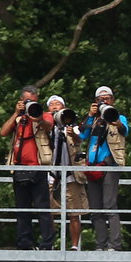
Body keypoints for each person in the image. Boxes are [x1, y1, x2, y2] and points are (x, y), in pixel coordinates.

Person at [0, 84, 54, 251]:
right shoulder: (18, 118)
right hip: (19, 168)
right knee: (22, 208)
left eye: (33, 100)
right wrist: (17, 113)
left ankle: (47, 244)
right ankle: (25, 243)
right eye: (26, 101)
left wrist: (36, 116)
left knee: (42, 208)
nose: (30, 103)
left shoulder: (43, 115)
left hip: (38, 167)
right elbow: (3, 132)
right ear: (21, 101)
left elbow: (49, 126)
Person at [81, 86, 129, 251]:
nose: (104, 102)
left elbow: (125, 130)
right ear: (95, 102)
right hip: (92, 165)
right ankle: (100, 244)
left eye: (107, 99)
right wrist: (90, 116)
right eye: (100, 99)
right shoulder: (93, 119)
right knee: (95, 208)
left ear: (112, 100)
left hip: (110, 164)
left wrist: (114, 121)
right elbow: (82, 135)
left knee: (109, 205)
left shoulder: (118, 116)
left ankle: (115, 245)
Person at [46, 95, 87, 250]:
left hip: (71, 173)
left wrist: (71, 133)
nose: (55, 107)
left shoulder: (73, 126)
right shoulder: (46, 127)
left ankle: (74, 246)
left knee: (74, 212)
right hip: (51, 173)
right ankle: (49, 243)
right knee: (48, 211)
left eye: (59, 104)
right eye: (52, 104)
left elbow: (79, 140)